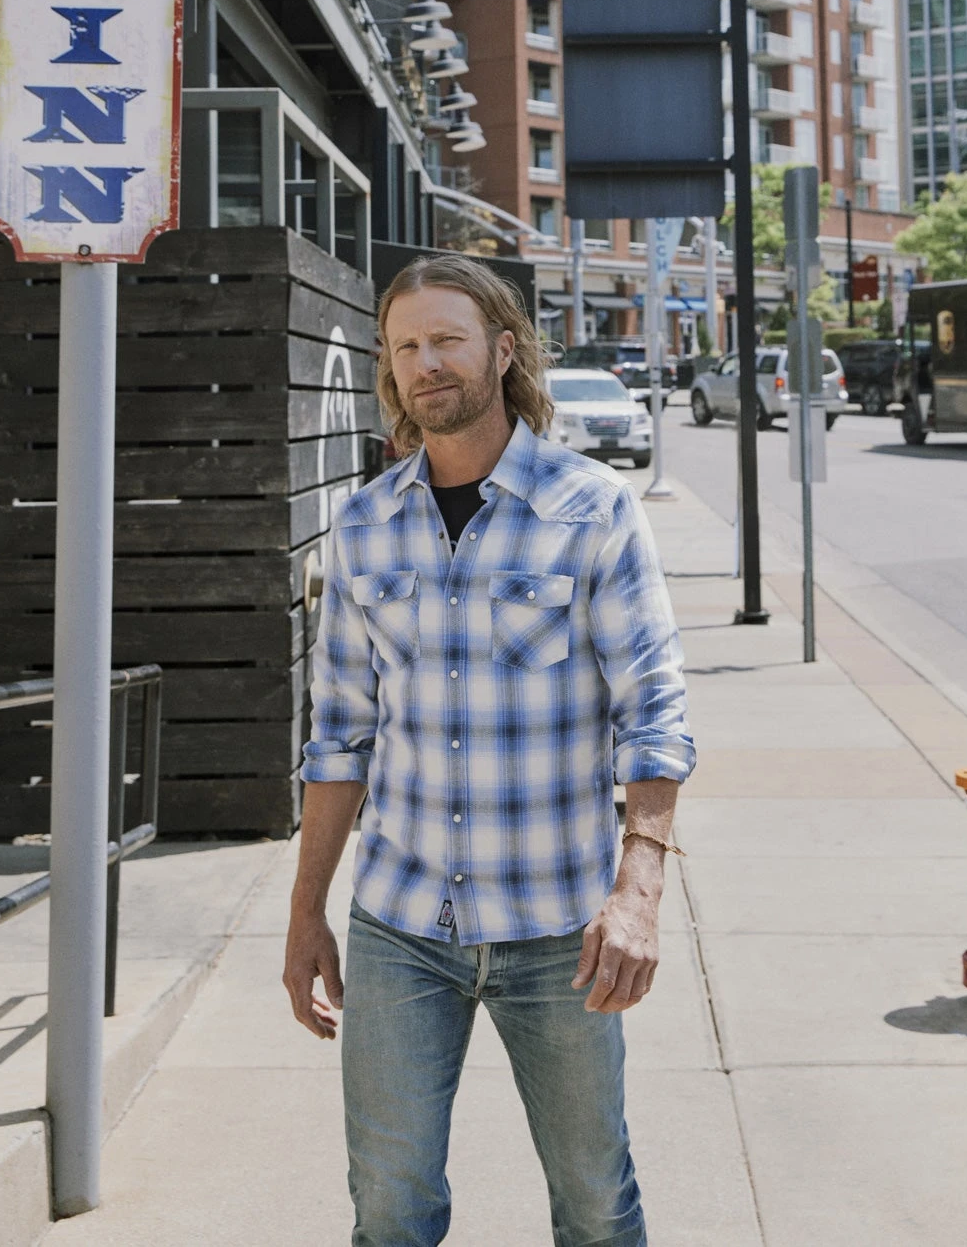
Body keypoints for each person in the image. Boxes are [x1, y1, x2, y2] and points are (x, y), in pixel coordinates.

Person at [284, 253, 695, 1247]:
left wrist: (638, 890)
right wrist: (305, 912)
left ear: (502, 351)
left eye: (447, 340)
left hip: (559, 928)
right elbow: (338, 737)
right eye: (405, 347)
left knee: (595, 1203)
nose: (426, 363)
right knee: (389, 1207)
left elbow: (652, 709)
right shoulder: (364, 524)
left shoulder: (591, 508)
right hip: (400, 925)